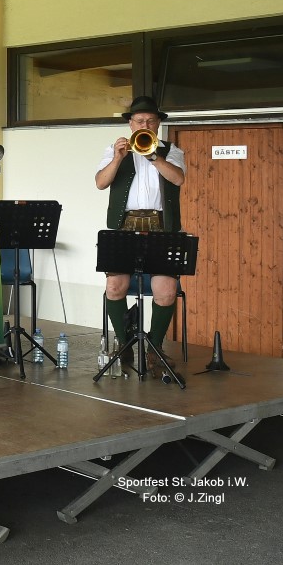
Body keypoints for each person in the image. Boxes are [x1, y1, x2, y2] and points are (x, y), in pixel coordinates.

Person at [95, 95, 186, 372]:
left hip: (162, 227)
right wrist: (118, 158)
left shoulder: (171, 150)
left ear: (158, 124)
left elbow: (178, 178)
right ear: (131, 124)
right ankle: (123, 345)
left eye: (150, 120)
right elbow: (101, 183)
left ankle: (154, 349)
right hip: (125, 225)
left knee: (166, 291)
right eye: (139, 121)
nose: (145, 125)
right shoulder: (115, 150)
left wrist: (153, 156)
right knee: (114, 287)